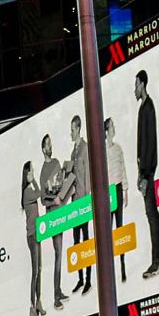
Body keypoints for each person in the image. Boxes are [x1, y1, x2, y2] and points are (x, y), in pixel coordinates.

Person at [134, 70, 159, 277]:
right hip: (144, 172)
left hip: (148, 172)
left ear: (142, 85)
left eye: (136, 85)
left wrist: (146, 175)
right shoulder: (143, 108)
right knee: (152, 212)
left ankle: (156, 260)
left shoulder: (148, 108)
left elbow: (150, 143)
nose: (134, 89)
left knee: (151, 214)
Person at [38, 136, 69, 310]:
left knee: (60, 253)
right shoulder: (43, 172)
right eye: (48, 145)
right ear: (43, 149)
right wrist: (54, 202)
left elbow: (62, 182)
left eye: (51, 143)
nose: (51, 146)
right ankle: (56, 296)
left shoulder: (57, 163)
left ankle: (58, 291)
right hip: (52, 217)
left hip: (62, 213)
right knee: (57, 254)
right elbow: (43, 200)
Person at [66, 115, 93, 296]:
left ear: (79, 129)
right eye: (71, 129)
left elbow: (89, 175)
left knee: (85, 239)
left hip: (83, 200)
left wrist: (87, 198)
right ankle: (80, 278)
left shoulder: (84, 148)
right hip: (74, 202)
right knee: (76, 241)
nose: (71, 132)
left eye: (73, 129)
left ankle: (89, 280)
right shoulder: (72, 153)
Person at [103, 119, 128, 282]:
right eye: (112, 126)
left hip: (118, 189)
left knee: (119, 229)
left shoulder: (118, 149)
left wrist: (125, 190)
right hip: (108, 192)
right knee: (108, 232)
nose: (114, 128)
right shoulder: (102, 151)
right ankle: (109, 271)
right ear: (106, 131)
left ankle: (123, 266)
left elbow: (123, 168)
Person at [22, 163, 46, 316]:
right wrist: (34, 180)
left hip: (36, 233)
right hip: (32, 235)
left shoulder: (28, 191)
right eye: (31, 171)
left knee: (39, 268)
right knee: (35, 271)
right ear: (27, 174)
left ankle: (38, 302)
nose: (33, 173)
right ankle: (32, 306)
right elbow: (39, 192)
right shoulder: (27, 192)